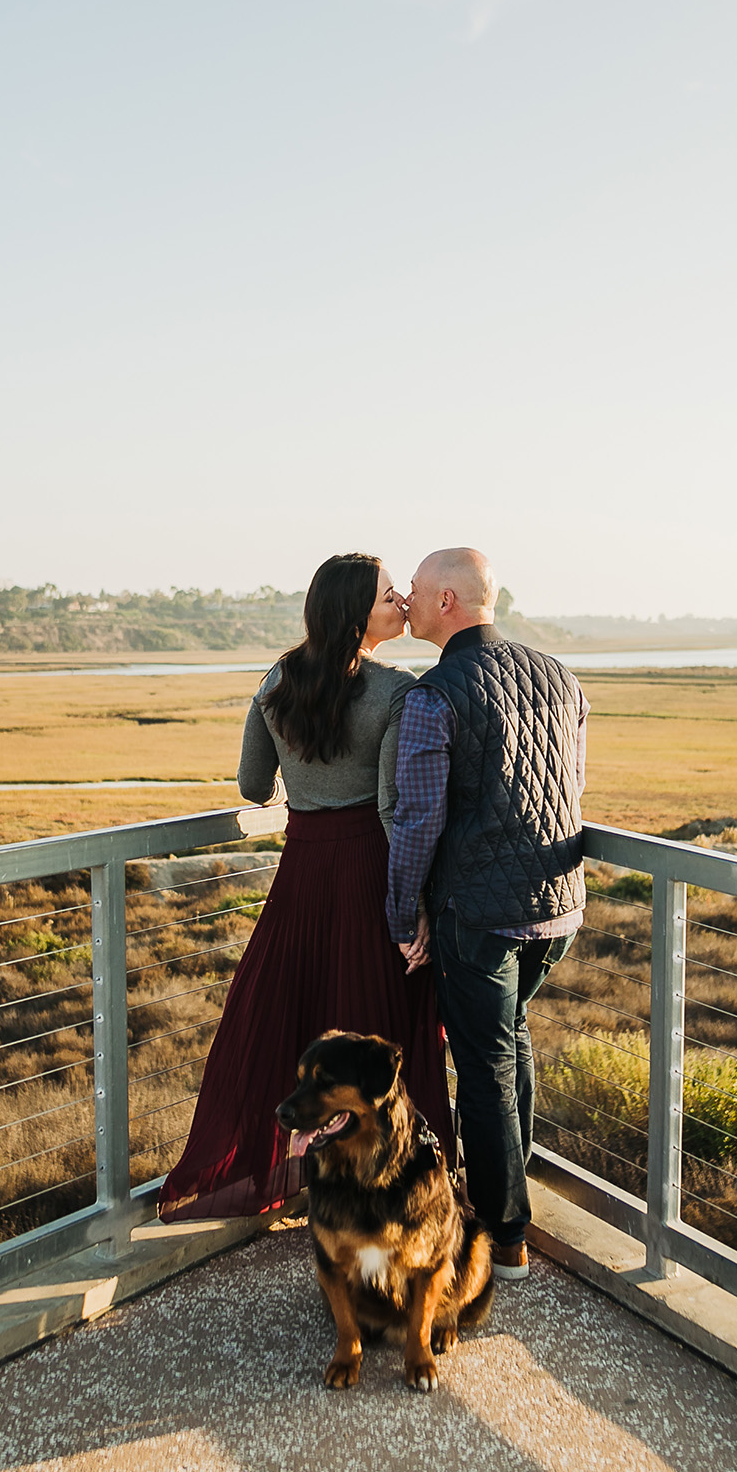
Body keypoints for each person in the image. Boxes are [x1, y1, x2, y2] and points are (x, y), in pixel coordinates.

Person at [156, 554, 454, 1222]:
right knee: (379, 1021)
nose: (402, 603)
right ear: (356, 615)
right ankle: (387, 1185)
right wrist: (417, 906)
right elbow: (391, 808)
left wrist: (303, 781)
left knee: (296, 1010)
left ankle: (293, 1172)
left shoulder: (275, 681)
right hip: (370, 869)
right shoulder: (399, 692)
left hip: (301, 869)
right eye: (388, 597)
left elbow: (253, 787)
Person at [384, 547, 588, 1282]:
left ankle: (504, 1233)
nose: (404, 600)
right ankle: (513, 1190)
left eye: (412, 590)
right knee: (509, 1041)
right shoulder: (561, 676)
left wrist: (404, 918)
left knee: (485, 1062)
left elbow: (415, 822)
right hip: (559, 907)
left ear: (445, 602)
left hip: (477, 914)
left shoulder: (431, 696)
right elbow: (569, 789)